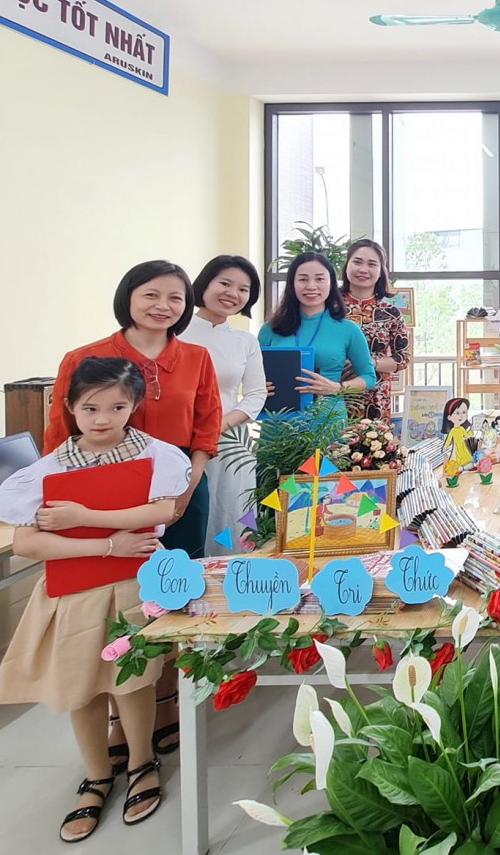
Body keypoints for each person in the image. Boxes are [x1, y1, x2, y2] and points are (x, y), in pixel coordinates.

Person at [0, 357, 187, 841]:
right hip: (75, 591)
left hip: (134, 586)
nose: (103, 419)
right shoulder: (47, 470)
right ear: (70, 407)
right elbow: (26, 544)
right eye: (91, 408)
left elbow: (161, 512)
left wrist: (84, 516)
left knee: (133, 680)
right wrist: (108, 544)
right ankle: (97, 774)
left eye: (117, 407)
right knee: (81, 684)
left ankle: (141, 762)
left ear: (134, 405)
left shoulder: (157, 457)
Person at [43, 260, 222, 763]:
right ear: (128, 296)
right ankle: (123, 711)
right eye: (151, 295)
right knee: (114, 601)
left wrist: (187, 485)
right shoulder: (85, 357)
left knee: (172, 594)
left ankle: (165, 702)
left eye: (175, 298)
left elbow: (206, 426)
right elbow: (58, 436)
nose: (163, 306)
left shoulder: (196, 357)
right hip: (102, 497)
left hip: (181, 492)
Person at [180, 255, 267, 551]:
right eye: (225, 283)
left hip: (231, 441)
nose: (233, 293)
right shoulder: (175, 332)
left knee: (230, 511)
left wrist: (220, 424)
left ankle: (232, 573)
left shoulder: (245, 341)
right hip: (181, 437)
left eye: (243, 289)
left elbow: (256, 394)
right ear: (205, 284)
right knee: (188, 511)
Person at [259, 252, 377, 426]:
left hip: (327, 423)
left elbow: (368, 377)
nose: (311, 286)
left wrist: (336, 388)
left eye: (320, 279)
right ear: (292, 284)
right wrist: (258, 387)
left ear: (331, 283)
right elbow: (251, 374)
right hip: (277, 424)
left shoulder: (348, 329)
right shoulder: (270, 328)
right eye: (303, 279)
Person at [340, 238, 412, 420]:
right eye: (357, 262)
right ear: (347, 266)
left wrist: (370, 362)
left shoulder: (391, 312)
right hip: (333, 394)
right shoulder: (329, 308)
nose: (363, 269)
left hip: (376, 396)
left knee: (372, 438)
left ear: (381, 271)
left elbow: (403, 358)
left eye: (372, 264)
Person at [442, 396, 473, 479]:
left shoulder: (462, 428)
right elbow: (448, 439)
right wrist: (445, 446)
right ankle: (458, 467)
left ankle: (466, 466)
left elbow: (466, 435)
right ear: (449, 417)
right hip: (456, 446)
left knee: (466, 457)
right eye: (457, 413)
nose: (461, 416)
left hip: (463, 446)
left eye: (464, 412)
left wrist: (472, 430)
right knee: (456, 458)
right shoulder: (452, 430)